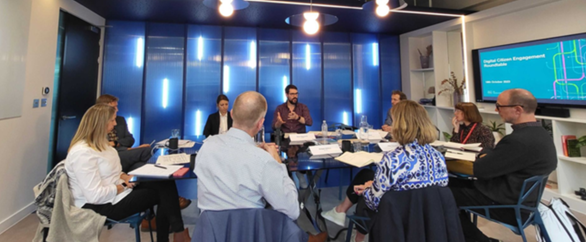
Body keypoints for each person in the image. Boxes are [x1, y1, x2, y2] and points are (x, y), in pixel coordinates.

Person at [194, 91, 326, 242]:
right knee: (283, 215)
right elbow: (293, 210)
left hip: (211, 232)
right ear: (260, 123)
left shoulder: (207, 147)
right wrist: (277, 162)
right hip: (249, 232)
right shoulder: (263, 160)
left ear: (231, 114)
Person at [323, 100, 450, 242]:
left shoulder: (392, 160)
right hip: (430, 224)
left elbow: (373, 202)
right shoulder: (438, 157)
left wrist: (367, 189)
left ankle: (355, 234)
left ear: (401, 125)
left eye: (394, 122)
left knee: (365, 198)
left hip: (396, 223)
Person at [64, 104, 191, 242]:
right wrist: (124, 186)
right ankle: (176, 234)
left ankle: (175, 234)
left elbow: (115, 172)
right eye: (112, 120)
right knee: (164, 193)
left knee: (164, 182)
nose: (115, 123)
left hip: (116, 194)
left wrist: (125, 177)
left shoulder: (103, 146)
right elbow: (95, 196)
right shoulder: (82, 153)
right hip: (101, 206)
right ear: (101, 123)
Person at [449, 89, 557, 242]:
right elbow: (492, 159)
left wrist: (485, 155)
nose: (496, 110)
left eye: (499, 106)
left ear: (517, 109)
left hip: (504, 204)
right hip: (519, 200)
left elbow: (481, 170)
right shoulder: (540, 135)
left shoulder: (519, 141)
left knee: (439, 194)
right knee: (448, 186)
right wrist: (488, 155)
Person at [96, 94, 191, 211]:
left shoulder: (120, 120)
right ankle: (170, 173)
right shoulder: (96, 126)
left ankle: (152, 218)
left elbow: (130, 139)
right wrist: (127, 149)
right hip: (115, 158)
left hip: (124, 153)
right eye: (114, 107)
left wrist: (117, 144)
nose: (117, 110)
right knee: (146, 151)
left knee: (147, 171)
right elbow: (104, 148)